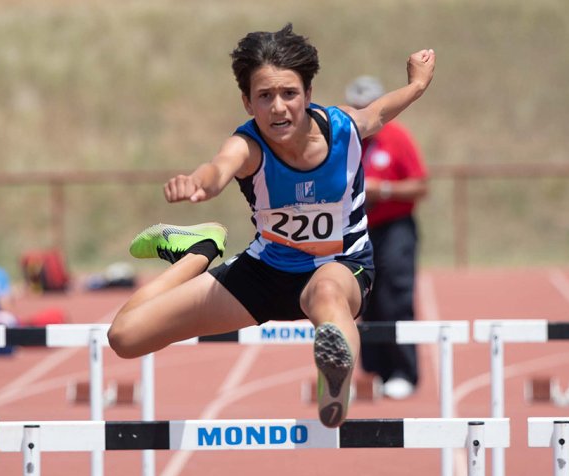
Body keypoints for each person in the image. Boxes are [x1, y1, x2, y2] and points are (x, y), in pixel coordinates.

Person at [108, 24, 435, 428]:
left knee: (327, 294)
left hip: (340, 265)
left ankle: (335, 381)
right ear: (247, 103)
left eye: (289, 94)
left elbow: (380, 110)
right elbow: (217, 169)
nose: (278, 107)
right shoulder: (247, 146)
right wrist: (199, 184)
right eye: (265, 96)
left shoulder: (343, 129)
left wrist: (417, 85)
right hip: (266, 272)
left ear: (308, 95)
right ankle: (201, 250)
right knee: (124, 337)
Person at [345, 75, 429, 400]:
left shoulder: (397, 138)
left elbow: (421, 185)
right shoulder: (346, 141)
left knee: (395, 298)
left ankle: (404, 372)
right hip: (357, 229)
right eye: (358, 106)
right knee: (363, 300)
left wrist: (384, 189)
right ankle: (374, 373)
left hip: (394, 228)